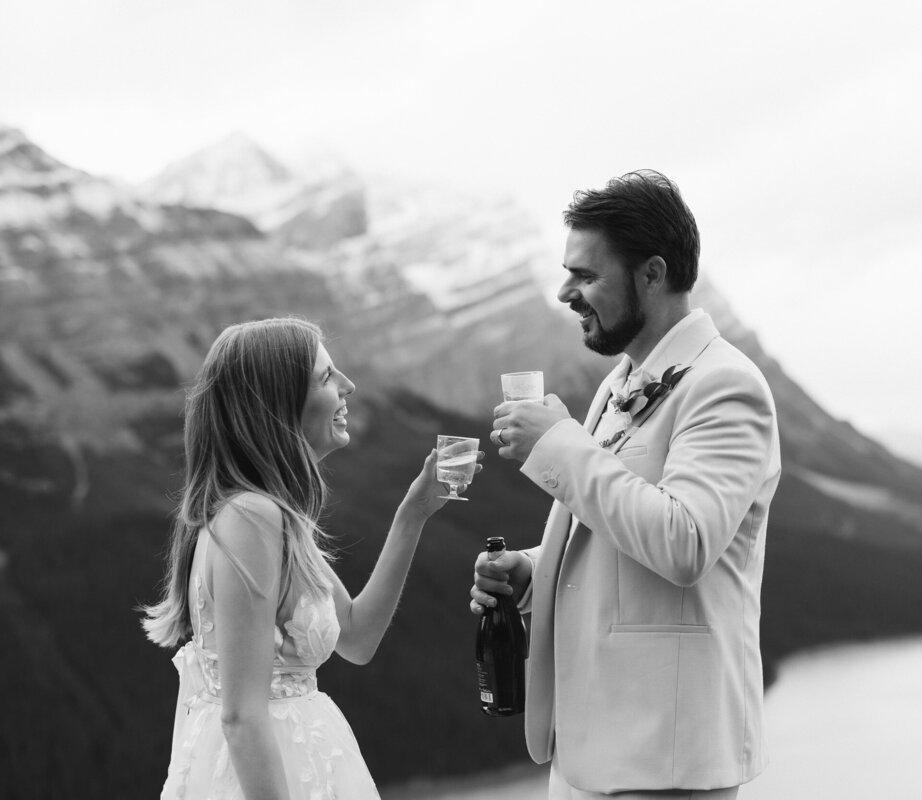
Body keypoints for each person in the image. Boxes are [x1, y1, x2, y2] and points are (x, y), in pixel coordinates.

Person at [471, 170, 781, 798]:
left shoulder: (725, 385)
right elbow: (614, 526)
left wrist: (558, 446)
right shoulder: (620, 382)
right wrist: (533, 571)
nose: (564, 292)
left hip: (664, 755)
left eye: (586, 275)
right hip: (587, 749)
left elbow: (685, 541)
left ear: (653, 274)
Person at [141, 317, 479, 799]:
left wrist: (413, 514)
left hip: (305, 763)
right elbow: (241, 716)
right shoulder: (253, 516)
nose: (348, 386)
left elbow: (357, 638)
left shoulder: (271, 514)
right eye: (326, 377)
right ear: (277, 404)